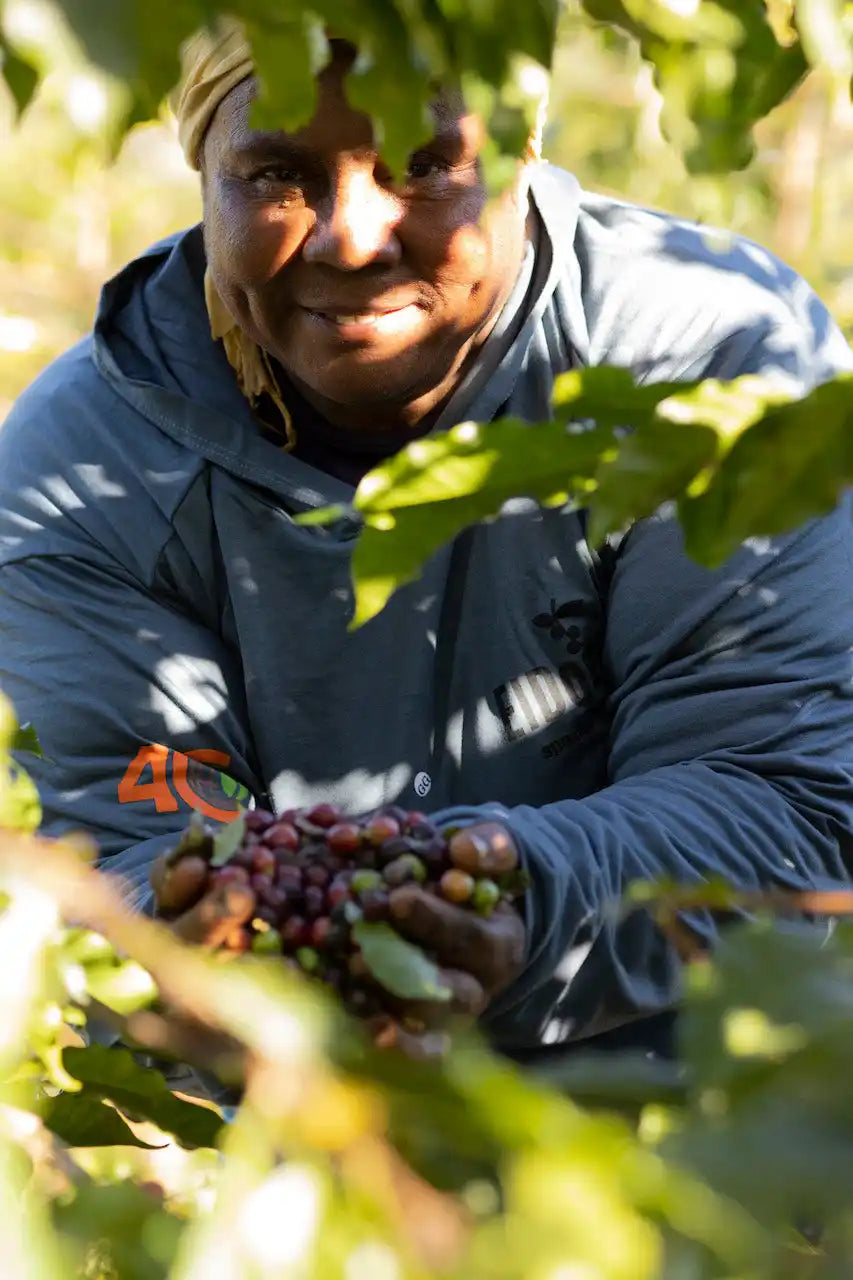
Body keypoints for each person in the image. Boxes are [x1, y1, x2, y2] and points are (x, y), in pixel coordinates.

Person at [1, 20, 853, 1066]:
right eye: (275, 173)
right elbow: (103, 847)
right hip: (299, 1142)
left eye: (421, 163)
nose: (350, 237)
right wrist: (173, 931)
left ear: (521, 149)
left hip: (689, 1122)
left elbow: (781, 795)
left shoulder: (705, 368)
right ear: (206, 180)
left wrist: (519, 895)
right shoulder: (87, 470)